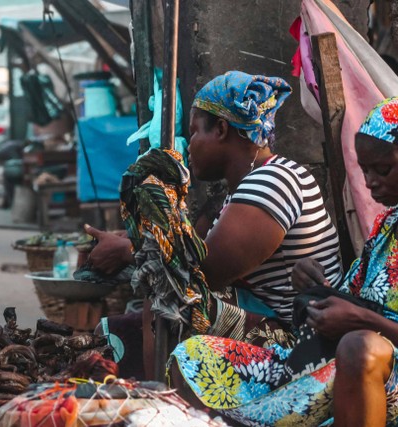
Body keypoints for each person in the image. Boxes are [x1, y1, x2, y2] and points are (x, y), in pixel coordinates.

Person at [170, 96, 398, 427]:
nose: (370, 182)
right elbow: (361, 297)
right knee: (195, 357)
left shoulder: (275, 182)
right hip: (336, 360)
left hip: (375, 365)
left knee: (358, 348)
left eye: (383, 169)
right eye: (364, 170)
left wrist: (361, 320)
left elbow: (364, 319)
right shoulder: (386, 227)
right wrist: (319, 287)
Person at [88, 71, 342, 354]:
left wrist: (127, 250)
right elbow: (191, 250)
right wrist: (135, 238)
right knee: (112, 337)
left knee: (167, 289)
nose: (190, 143)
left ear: (221, 130)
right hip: (271, 318)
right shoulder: (252, 183)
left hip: (297, 338)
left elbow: (201, 274)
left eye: (195, 131)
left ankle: (161, 395)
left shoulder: (272, 181)